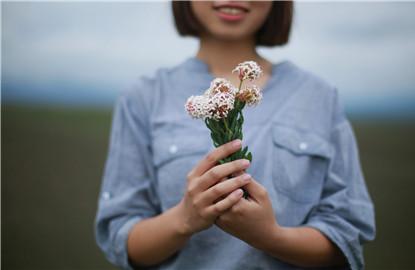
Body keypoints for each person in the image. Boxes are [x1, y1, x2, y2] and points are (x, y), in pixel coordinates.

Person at [94, 1, 376, 270]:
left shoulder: (318, 96)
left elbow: (347, 232)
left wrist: (270, 236)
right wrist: (183, 219)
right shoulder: (143, 97)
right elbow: (122, 237)